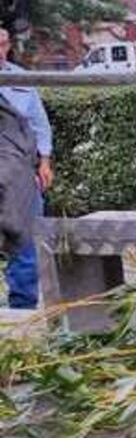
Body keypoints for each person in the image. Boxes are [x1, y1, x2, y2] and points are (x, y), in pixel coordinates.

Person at [0, 28, 53, 309]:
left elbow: (39, 125)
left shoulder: (22, 81)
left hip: (19, 176)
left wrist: (44, 162)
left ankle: (23, 308)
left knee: (25, 243)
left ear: (8, 46)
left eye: (2, 44)